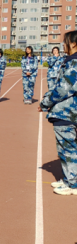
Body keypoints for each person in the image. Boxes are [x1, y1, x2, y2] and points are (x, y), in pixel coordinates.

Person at [39, 31, 77, 197]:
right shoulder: (69, 61)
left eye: (65, 42)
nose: (63, 45)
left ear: (74, 44)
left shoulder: (74, 63)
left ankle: (72, 183)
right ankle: (69, 179)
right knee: (65, 149)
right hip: (67, 112)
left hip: (67, 112)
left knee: (67, 148)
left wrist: (45, 102)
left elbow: (63, 89)